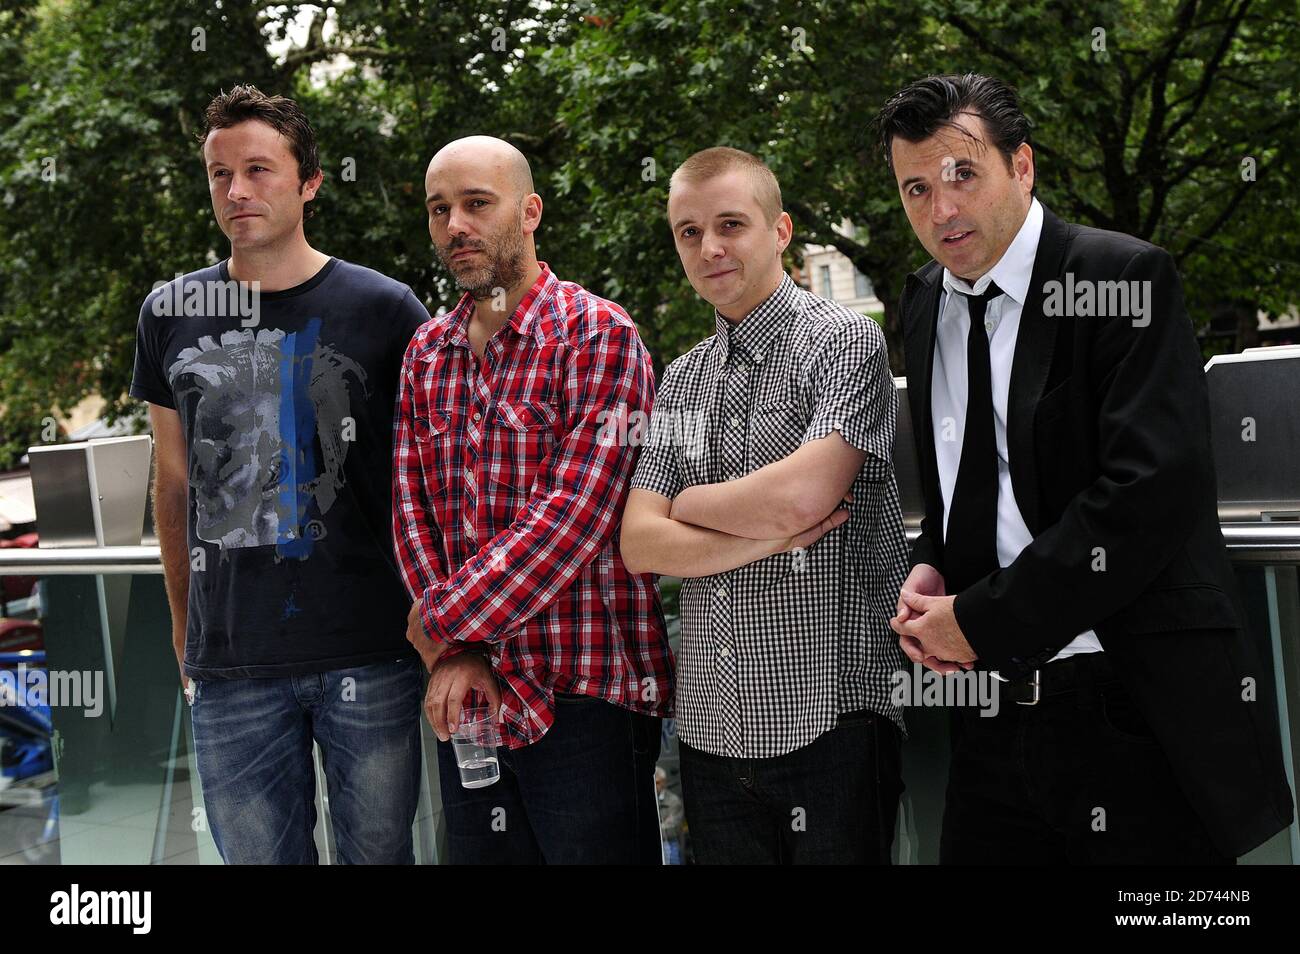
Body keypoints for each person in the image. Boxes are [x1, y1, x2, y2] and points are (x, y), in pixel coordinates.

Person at [877, 72, 1294, 863]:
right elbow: (966, 478)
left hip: (1128, 707)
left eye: (964, 173)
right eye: (916, 188)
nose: (942, 209)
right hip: (989, 713)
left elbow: (1148, 494)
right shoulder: (925, 301)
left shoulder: (1119, 279)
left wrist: (982, 620)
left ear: (1022, 166)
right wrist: (932, 563)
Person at [131, 85, 429, 863]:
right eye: (219, 173)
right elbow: (171, 487)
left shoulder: (387, 308)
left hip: (373, 646)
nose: (236, 191)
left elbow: (426, 479)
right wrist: (182, 626)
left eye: (259, 169)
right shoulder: (169, 312)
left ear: (309, 183)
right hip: (233, 661)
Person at [620, 147, 909, 864]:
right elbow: (640, 544)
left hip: (833, 719)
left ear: (779, 231)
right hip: (712, 733)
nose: (709, 247)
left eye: (730, 224)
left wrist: (689, 502)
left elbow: (804, 497)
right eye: (689, 232)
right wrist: (766, 537)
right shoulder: (682, 380)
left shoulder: (845, 343)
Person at [394, 135, 673, 864]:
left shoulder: (599, 336)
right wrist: (455, 653)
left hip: (586, 698)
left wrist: (439, 627)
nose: (455, 225)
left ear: (530, 211)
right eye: (439, 210)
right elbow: (411, 510)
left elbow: (572, 523)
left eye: (476, 204)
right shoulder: (427, 352)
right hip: (472, 700)